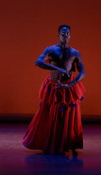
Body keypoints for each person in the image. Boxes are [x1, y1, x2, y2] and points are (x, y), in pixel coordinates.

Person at [22, 24, 86, 154]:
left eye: (67, 33)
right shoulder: (51, 50)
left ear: (70, 35)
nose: (65, 35)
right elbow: (38, 61)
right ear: (58, 35)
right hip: (54, 86)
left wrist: (70, 84)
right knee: (51, 115)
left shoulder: (74, 53)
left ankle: (68, 143)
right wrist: (58, 69)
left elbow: (82, 72)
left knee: (68, 116)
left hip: (67, 87)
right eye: (63, 33)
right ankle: (49, 142)